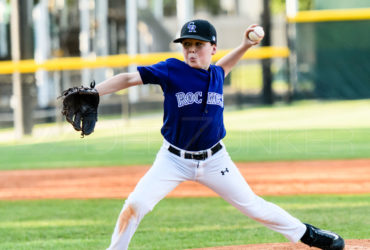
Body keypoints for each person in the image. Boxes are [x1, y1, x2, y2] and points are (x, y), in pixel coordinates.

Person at [95, 19, 345, 250]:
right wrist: (95, 93)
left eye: (198, 45)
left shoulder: (216, 74)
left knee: (254, 207)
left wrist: (246, 45)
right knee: (136, 204)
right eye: (187, 45)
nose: (191, 50)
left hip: (215, 160)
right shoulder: (171, 70)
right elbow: (129, 78)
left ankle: (308, 234)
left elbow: (227, 64)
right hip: (172, 160)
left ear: (212, 48)